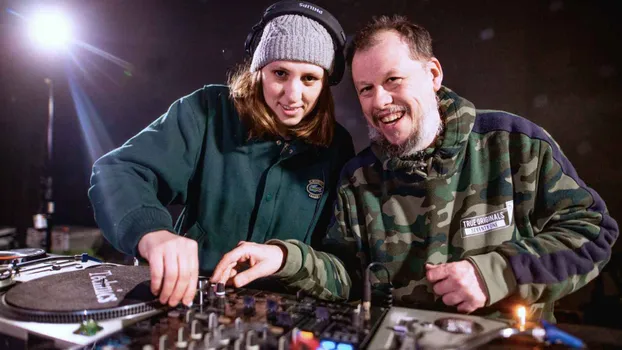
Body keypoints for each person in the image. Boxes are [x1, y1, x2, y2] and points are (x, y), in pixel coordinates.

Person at [211, 15, 619, 322]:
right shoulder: (358, 178)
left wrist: (496, 272)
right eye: (366, 89)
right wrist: (285, 259)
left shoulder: (515, 144)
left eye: (393, 80)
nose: (380, 101)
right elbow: (348, 275)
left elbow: (593, 232)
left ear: (433, 74)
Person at [88, 1, 354, 308]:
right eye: (280, 73)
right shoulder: (207, 111)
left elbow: (341, 263)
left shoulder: (338, 147)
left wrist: (287, 260)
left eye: (309, 78)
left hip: (288, 314)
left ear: (326, 83)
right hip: (192, 301)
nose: (293, 95)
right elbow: (117, 172)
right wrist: (151, 232)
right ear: (258, 71)